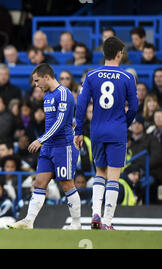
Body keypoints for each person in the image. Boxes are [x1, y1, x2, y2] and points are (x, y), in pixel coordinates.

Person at [74, 36, 139, 230]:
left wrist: (78, 130)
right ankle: (108, 222)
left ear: (104, 53)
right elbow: (134, 107)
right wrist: (123, 124)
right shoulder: (128, 77)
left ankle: (95, 214)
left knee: (99, 172)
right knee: (113, 176)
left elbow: (81, 105)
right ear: (120, 54)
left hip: (97, 131)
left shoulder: (92, 76)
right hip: (116, 130)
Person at [8, 63, 81, 230]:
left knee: (67, 184)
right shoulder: (47, 95)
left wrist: (41, 139)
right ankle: (28, 221)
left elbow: (61, 122)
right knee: (39, 182)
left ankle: (76, 223)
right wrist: (44, 140)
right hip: (48, 147)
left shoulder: (63, 93)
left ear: (46, 76)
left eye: (37, 80)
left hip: (63, 146)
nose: (35, 85)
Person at [129, 114, 162, 203]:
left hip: (150, 172)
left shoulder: (151, 138)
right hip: (131, 173)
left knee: (146, 183)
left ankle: (146, 210)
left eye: (139, 123)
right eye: (134, 123)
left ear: (143, 125)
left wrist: (140, 168)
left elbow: (157, 157)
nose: (136, 125)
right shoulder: (128, 141)